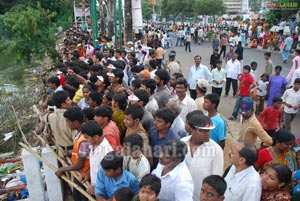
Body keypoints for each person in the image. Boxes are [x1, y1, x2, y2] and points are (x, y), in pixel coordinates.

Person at [181, 113, 223, 201]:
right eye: (202, 131)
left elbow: (216, 178)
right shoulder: (181, 143)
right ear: (192, 130)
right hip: (181, 195)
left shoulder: (216, 150)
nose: (207, 134)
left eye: (208, 130)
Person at [55, 107, 90, 201]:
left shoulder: (84, 141)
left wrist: (62, 169)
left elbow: (80, 164)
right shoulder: (79, 134)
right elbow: (82, 156)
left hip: (84, 176)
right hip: (79, 174)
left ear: (75, 122)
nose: (66, 124)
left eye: (67, 121)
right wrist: (71, 155)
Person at [81, 120, 113, 196]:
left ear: (96, 137)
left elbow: (108, 176)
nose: (85, 140)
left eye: (86, 137)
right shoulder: (92, 144)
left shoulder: (106, 152)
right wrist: (87, 173)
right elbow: (96, 165)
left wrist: (96, 187)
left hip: (102, 190)